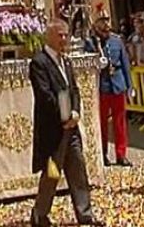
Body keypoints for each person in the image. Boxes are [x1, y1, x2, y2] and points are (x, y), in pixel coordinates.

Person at [29, 19, 104, 227]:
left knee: (78, 170)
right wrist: (64, 117)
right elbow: (45, 97)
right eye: (60, 35)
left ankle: (85, 213)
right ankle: (39, 214)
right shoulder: (39, 63)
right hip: (53, 131)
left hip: (71, 130)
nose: (64, 39)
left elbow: (74, 91)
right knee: (51, 175)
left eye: (66, 35)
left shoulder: (67, 61)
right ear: (49, 36)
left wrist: (75, 112)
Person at [85, 5, 133, 167]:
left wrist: (129, 86)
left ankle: (121, 154)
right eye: (102, 21)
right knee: (102, 124)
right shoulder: (90, 42)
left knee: (120, 122)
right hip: (102, 86)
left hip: (117, 84)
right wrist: (96, 63)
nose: (106, 24)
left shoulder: (116, 40)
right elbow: (86, 65)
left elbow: (125, 64)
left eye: (107, 20)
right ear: (96, 24)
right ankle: (103, 153)